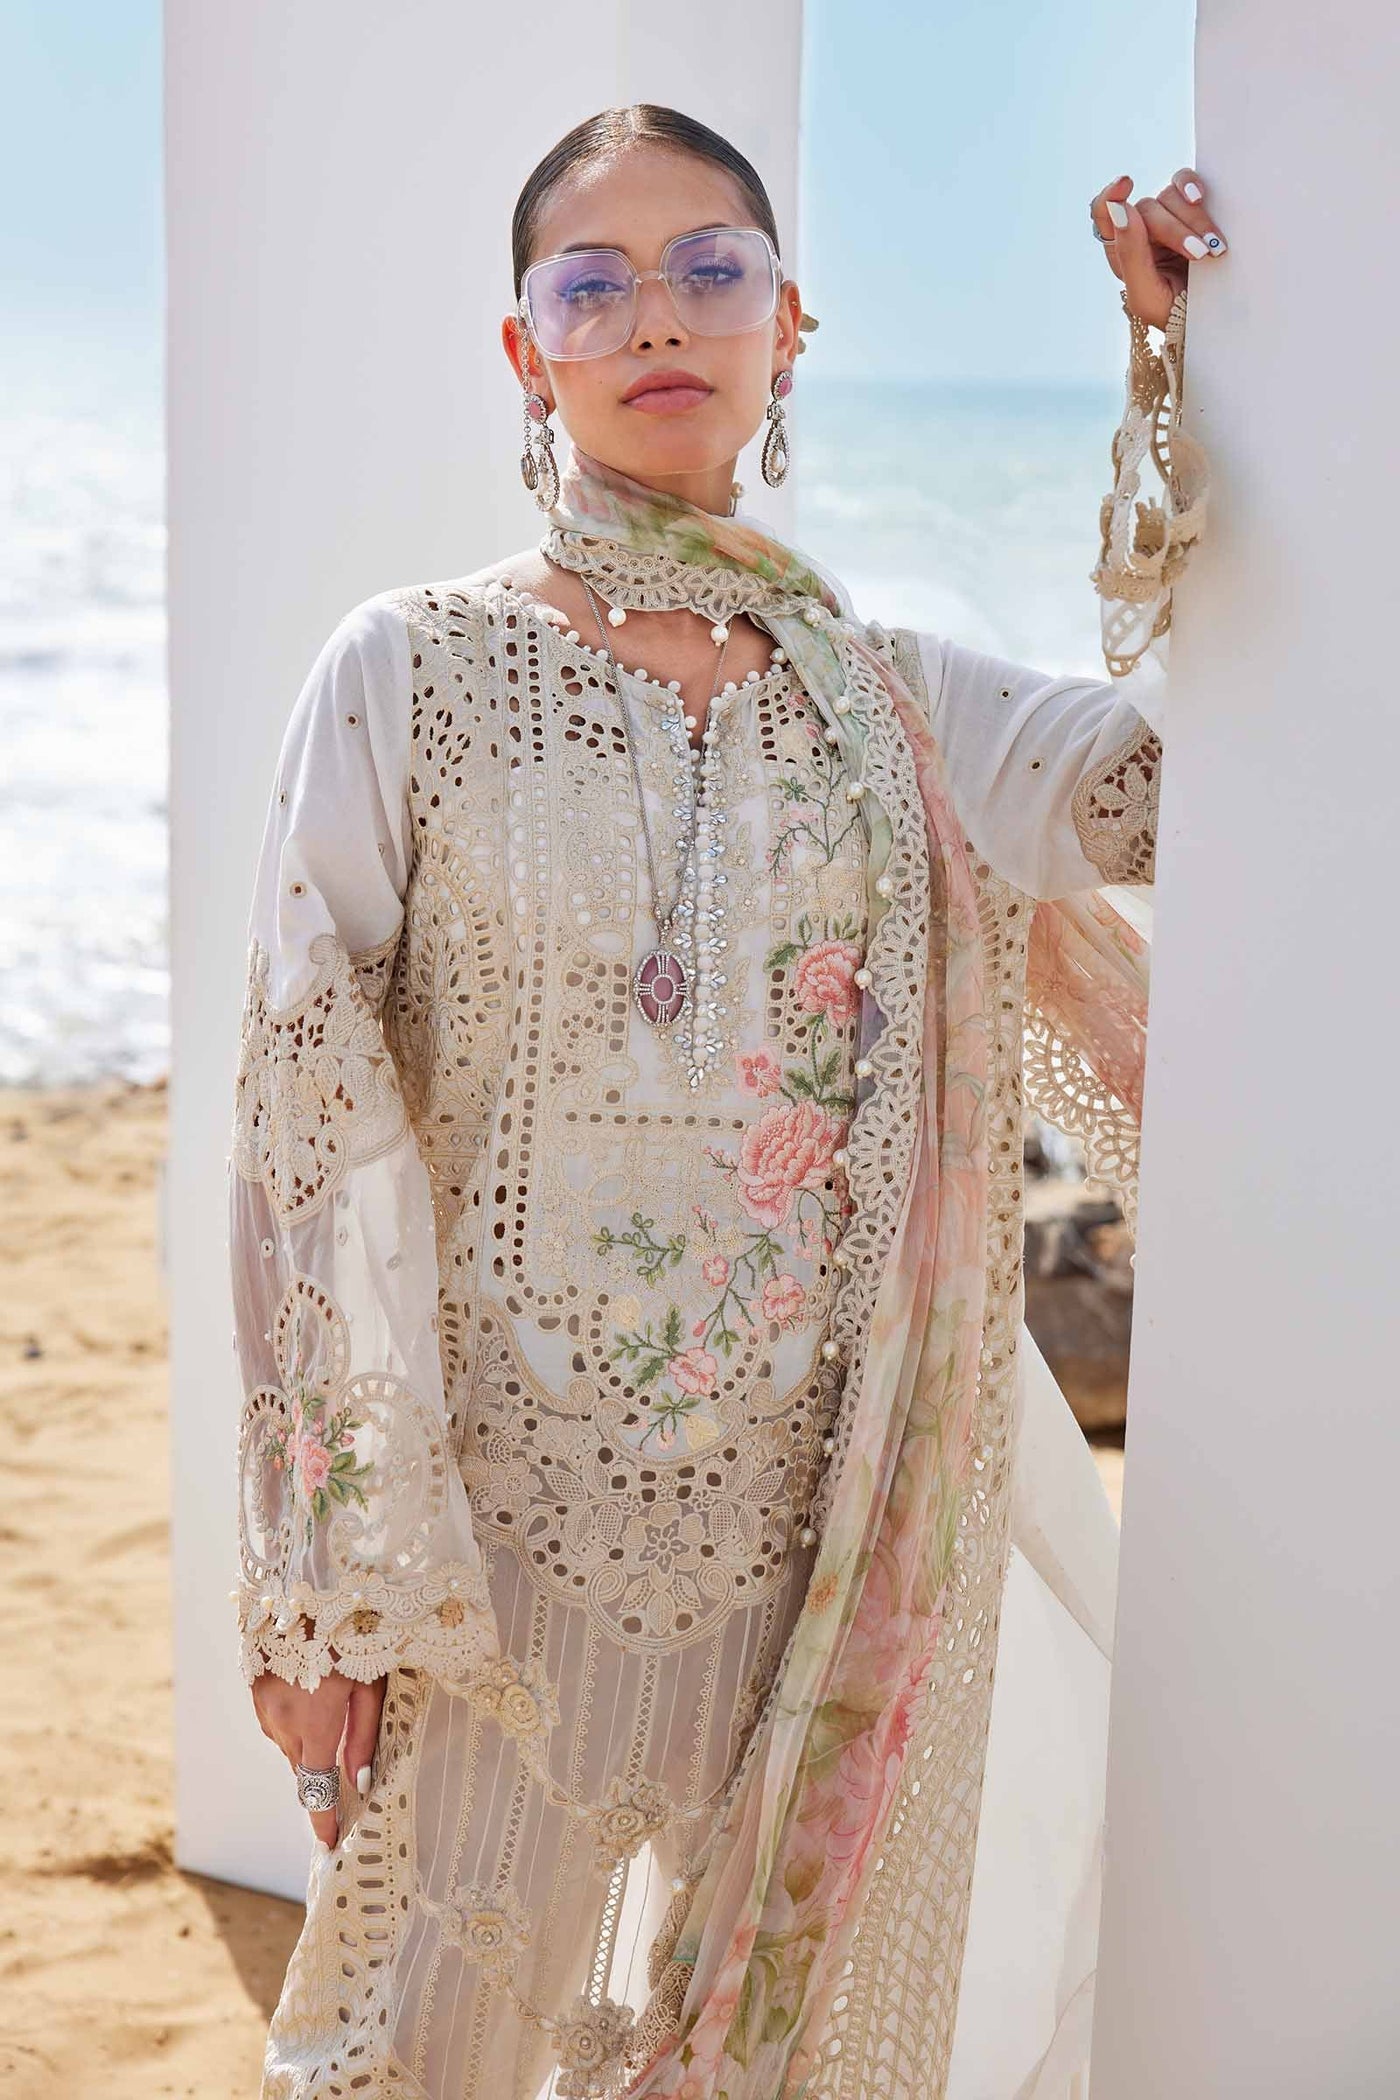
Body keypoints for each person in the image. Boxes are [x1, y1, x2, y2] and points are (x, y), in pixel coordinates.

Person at [227, 103, 1223, 2100]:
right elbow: (303, 1131)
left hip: (820, 1552)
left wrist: (1182, 375)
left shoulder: (906, 704)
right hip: (497, 1566)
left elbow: (1189, 787)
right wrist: (324, 1589)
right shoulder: (407, 672)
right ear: (526, 351)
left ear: (792, 324)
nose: (659, 318)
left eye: (714, 270)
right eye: (591, 286)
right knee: (412, 2054)